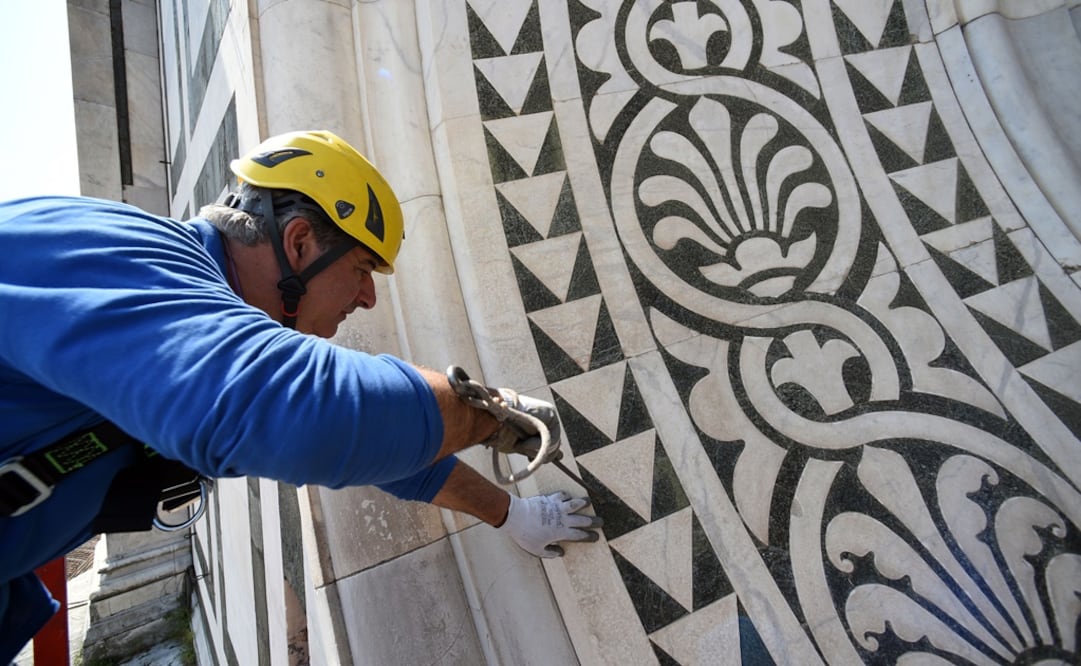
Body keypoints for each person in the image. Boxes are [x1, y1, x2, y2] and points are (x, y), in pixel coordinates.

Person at [0, 130, 602, 660]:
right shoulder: (124, 252)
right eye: (364, 268)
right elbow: (310, 412)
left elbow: (377, 449)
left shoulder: (194, 309)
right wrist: (486, 414)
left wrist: (510, 512)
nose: (368, 297)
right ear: (299, 244)